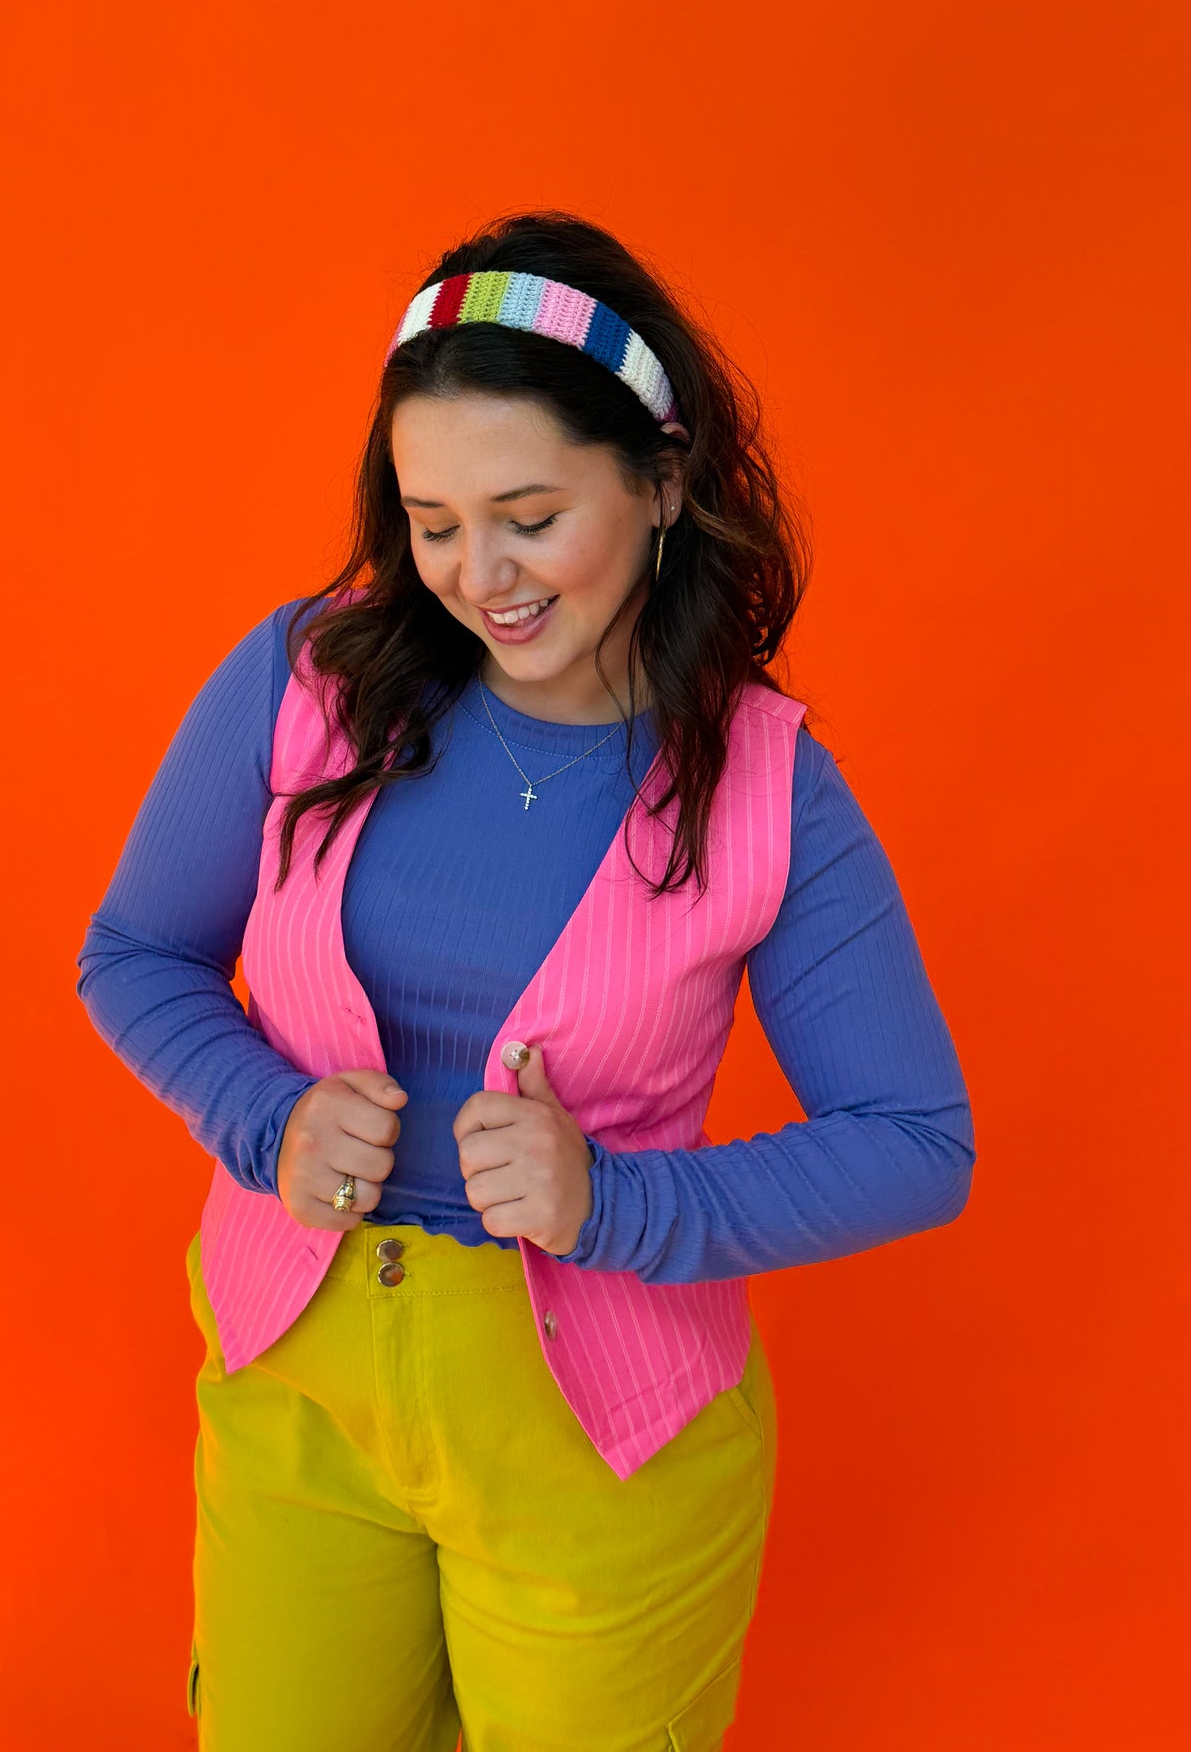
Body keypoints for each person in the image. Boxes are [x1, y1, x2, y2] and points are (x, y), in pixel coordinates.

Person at [75, 210, 975, 1750]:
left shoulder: (767, 789)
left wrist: (613, 1202)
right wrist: (266, 1116)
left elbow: (916, 1141)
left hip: (607, 1447)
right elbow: (136, 955)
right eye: (432, 523)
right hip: (301, 1393)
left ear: (662, 482)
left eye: (530, 516)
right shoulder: (306, 681)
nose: (478, 575)